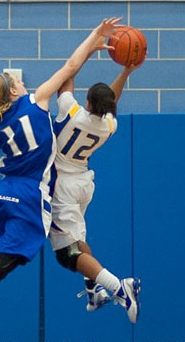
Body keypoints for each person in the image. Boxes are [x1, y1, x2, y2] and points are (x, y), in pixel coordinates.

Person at [0, 17, 123, 339]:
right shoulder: (37, 100)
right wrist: (95, 37)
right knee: (12, 258)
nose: (24, 84)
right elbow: (70, 66)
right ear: (14, 90)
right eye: (19, 82)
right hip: (28, 196)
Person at [49, 63, 144, 324]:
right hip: (83, 183)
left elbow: (64, 82)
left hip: (63, 186)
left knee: (67, 254)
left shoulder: (72, 112)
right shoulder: (108, 127)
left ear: (88, 101)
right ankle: (94, 294)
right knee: (79, 243)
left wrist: (75, 61)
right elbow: (112, 100)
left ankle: (117, 287)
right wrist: (125, 73)